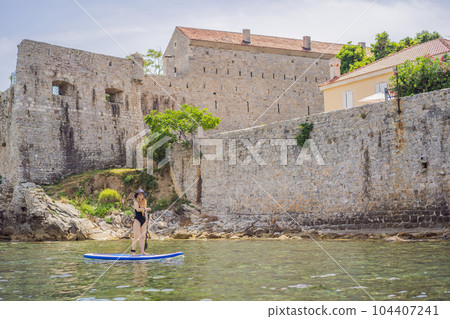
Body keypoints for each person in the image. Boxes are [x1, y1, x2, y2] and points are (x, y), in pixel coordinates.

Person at [131, 189, 152, 256]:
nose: (141, 195)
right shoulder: (135, 202)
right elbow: (137, 209)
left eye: (142, 194)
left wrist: (147, 219)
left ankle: (142, 252)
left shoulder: (144, 202)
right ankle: (133, 252)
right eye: (139, 194)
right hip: (137, 220)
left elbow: (144, 212)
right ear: (137, 195)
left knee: (143, 237)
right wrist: (145, 209)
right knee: (136, 236)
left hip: (143, 220)